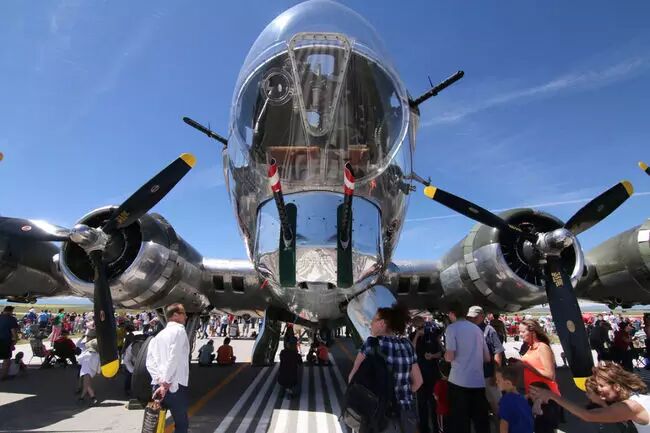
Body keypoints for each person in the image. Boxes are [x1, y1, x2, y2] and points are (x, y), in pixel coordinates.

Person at [348, 303, 423, 433]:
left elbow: (352, 379)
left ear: (382, 323)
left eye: (374, 320)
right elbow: (418, 382)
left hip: (378, 414)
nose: (371, 323)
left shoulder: (371, 344)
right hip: (405, 415)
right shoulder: (407, 345)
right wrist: (402, 394)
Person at [530, 361, 650, 432]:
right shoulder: (638, 398)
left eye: (602, 386)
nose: (598, 389)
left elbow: (588, 415)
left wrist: (552, 396)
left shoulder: (630, 406)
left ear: (617, 386)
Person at [444, 303, 491, 433]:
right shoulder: (477, 329)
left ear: (452, 314)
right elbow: (487, 357)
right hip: (478, 382)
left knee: (460, 423)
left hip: (458, 382)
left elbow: (450, 356)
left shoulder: (452, 328)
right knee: (481, 423)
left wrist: (445, 355)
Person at [510, 319, 562, 433]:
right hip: (533, 396)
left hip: (546, 399)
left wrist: (526, 365)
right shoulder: (530, 347)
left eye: (523, 331)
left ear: (532, 332)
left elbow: (550, 375)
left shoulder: (542, 347)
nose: (520, 334)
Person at [146, 303, 190, 433]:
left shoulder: (158, 336)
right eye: (184, 313)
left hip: (157, 387)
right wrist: (166, 384)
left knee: (154, 424)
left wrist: (159, 380)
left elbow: (149, 362)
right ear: (175, 315)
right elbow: (174, 357)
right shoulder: (179, 331)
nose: (186, 316)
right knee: (181, 424)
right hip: (174, 386)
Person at [468, 306, 505, 417]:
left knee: (497, 405)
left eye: (475, 317)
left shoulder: (489, 330)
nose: (472, 319)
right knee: (478, 405)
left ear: (482, 316)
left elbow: (498, 352)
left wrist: (496, 374)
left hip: (488, 375)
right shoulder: (468, 330)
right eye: (470, 317)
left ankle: (502, 424)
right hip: (474, 376)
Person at [410, 316, 442, 433]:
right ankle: (424, 429)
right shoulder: (413, 336)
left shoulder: (432, 335)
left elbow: (440, 353)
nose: (420, 328)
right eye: (417, 326)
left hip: (432, 373)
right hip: (419, 374)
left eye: (421, 325)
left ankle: (436, 428)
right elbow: (411, 351)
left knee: (434, 403)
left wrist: (432, 356)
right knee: (421, 404)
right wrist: (417, 336)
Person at [495, 365, 533, 433]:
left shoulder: (505, 401)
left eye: (498, 380)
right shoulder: (523, 399)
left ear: (508, 383)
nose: (496, 382)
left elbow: (504, 427)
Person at [77, 334, 100, 405]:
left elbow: (79, 360)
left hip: (85, 371)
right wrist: (98, 372)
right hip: (92, 371)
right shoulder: (97, 355)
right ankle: (83, 398)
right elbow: (98, 365)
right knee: (87, 385)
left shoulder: (86, 353)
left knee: (86, 385)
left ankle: (92, 399)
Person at [0, 306, 19, 380]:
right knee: (6, 359)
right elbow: (14, 332)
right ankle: (3, 376)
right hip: (5, 341)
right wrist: (15, 341)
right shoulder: (11, 319)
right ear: (11, 311)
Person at [434, 361, 451, 433]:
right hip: (451, 410)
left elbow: (436, 397)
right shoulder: (452, 383)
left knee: (442, 430)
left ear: (440, 372)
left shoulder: (438, 384)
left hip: (442, 411)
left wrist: (434, 395)